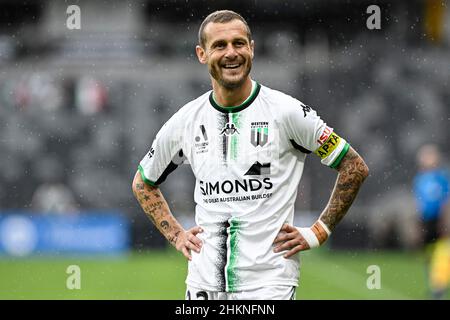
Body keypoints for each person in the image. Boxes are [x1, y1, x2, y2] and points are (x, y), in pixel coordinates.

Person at [132, 10, 369, 300]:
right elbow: (143, 182)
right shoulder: (186, 120)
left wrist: (319, 231)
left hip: (269, 286)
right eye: (220, 45)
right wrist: (176, 234)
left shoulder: (287, 112)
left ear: (251, 48)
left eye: (239, 43)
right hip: (203, 286)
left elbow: (354, 166)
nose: (231, 53)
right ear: (201, 54)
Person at [413, 144, 450, 299]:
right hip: (426, 221)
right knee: (428, 254)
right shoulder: (419, 179)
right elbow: (419, 203)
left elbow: (446, 200)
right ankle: (434, 283)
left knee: (441, 252)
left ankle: (439, 285)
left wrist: (446, 221)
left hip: (439, 220)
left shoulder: (441, 178)